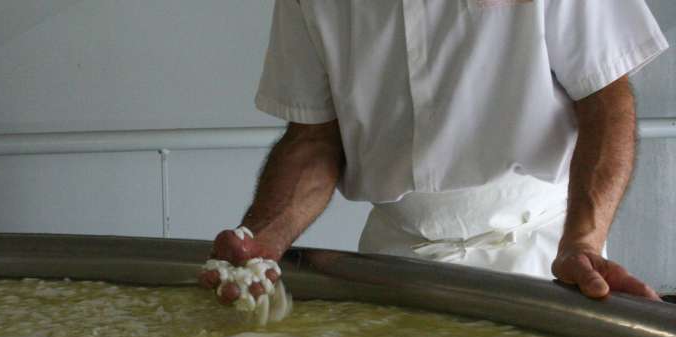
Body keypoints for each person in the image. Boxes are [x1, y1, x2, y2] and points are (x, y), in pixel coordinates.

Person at [203, 0, 669, 303]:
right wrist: (263, 242)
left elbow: (604, 100)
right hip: (399, 260)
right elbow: (314, 138)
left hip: (542, 257)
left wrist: (583, 242)